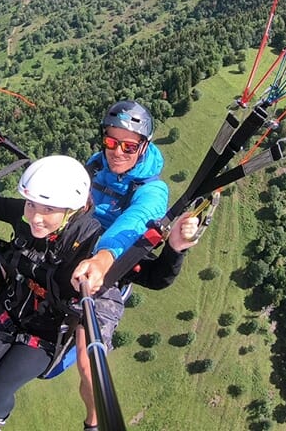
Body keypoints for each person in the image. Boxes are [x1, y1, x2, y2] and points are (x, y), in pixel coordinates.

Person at [69, 100, 199, 431]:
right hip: (72, 249)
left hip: (107, 269)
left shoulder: (153, 191)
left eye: (128, 145)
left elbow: (134, 222)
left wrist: (105, 258)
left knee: (88, 364)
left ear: (144, 145)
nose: (117, 152)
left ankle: (94, 421)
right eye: (111, 142)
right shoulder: (96, 166)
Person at [0, 127, 101, 431]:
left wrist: (176, 249)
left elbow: (148, 274)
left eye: (48, 209)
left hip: (48, 331)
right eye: (31, 204)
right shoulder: (27, 217)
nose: (35, 217)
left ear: (71, 209)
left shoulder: (90, 240)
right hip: (11, 307)